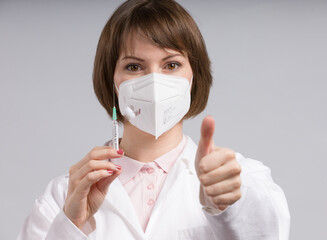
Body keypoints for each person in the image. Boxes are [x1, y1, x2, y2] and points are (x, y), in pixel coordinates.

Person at [18, 0, 290, 239]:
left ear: (194, 77)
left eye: (171, 65)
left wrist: (228, 206)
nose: (155, 82)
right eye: (134, 67)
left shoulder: (241, 177)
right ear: (111, 80)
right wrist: (71, 225)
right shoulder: (64, 194)